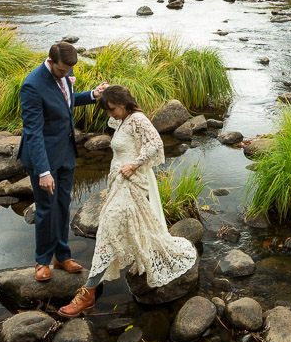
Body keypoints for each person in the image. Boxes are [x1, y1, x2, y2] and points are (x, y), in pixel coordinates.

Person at [58, 84, 198, 318]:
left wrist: (134, 164)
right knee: (137, 221)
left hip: (132, 181)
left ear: (123, 104)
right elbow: (123, 131)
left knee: (107, 228)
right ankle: (137, 256)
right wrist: (100, 93)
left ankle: (89, 292)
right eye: (107, 110)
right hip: (118, 181)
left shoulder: (138, 119)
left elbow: (156, 144)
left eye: (112, 109)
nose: (109, 114)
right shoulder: (122, 120)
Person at [18, 41, 108, 281]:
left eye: (69, 71)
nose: (66, 74)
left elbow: (65, 102)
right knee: (46, 208)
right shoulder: (31, 86)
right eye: (61, 71)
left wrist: (91, 95)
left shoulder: (64, 73)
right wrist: (43, 171)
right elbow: (33, 132)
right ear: (50, 62)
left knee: (62, 205)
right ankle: (42, 262)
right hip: (43, 157)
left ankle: (62, 256)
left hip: (66, 152)